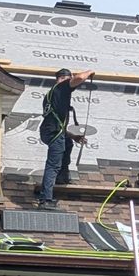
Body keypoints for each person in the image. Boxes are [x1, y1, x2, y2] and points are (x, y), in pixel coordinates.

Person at [36, 66, 93, 206]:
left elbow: (55, 123)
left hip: (51, 131)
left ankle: (62, 177)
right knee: (53, 165)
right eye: (68, 80)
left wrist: (73, 137)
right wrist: (90, 72)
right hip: (54, 133)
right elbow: (79, 78)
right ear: (62, 79)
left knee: (68, 143)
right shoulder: (61, 87)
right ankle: (45, 199)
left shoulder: (54, 94)